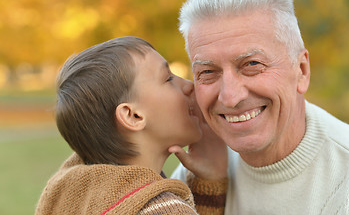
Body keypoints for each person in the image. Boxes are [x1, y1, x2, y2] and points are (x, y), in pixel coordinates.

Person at [171, 0, 349, 214]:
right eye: (208, 72)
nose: (230, 97)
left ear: (301, 70)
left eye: (252, 64)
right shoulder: (202, 169)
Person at [35, 36, 228, 215]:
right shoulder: (162, 210)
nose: (189, 85)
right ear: (133, 116)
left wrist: (208, 183)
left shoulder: (70, 194)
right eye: (168, 79)